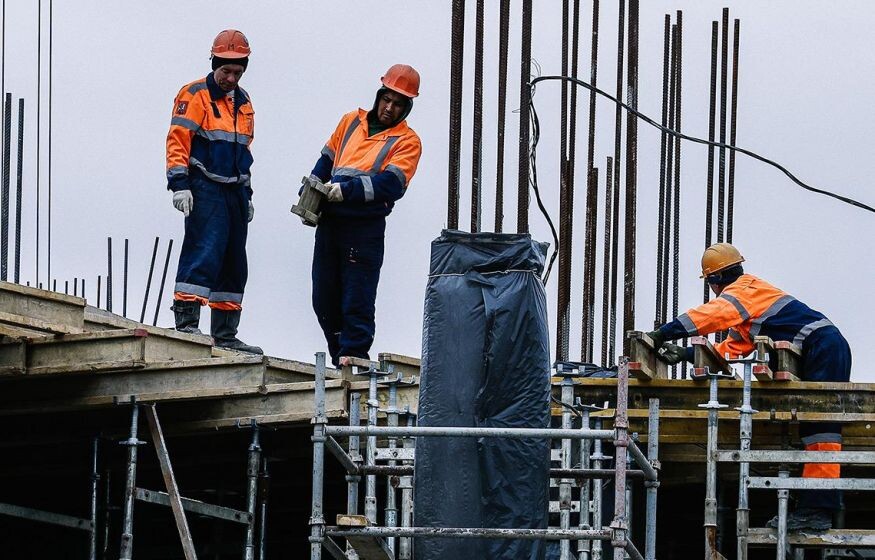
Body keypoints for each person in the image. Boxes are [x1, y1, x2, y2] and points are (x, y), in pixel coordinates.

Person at [649, 243, 852, 530]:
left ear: (713, 281)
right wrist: (685, 354)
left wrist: (663, 333)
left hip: (823, 347)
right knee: (813, 429)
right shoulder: (749, 303)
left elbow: (710, 316)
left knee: (820, 429)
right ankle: (815, 503)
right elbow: (732, 348)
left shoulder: (742, 292)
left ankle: (819, 509)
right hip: (823, 346)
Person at [306, 64, 422, 368]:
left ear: (406, 107)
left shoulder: (407, 142)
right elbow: (326, 160)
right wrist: (313, 190)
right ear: (379, 96)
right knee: (324, 296)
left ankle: (354, 355)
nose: (389, 108)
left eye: (398, 104)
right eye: (387, 99)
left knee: (357, 295)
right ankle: (340, 355)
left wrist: (348, 191)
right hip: (332, 221)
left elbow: (392, 184)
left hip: (364, 226)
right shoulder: (350, 123)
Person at [165, 29, 261, 354]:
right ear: (214, 63)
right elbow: (178, 140)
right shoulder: (194, 95)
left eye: (237, 72)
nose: (231, 78)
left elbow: (244, 152)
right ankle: (187, 324)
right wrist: (180, 184)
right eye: (226, 71)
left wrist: (246, 195)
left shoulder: (244, 102)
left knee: (234, 261)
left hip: (233, 190)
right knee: (203, 251)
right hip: (204, 184)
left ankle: (225, 334)